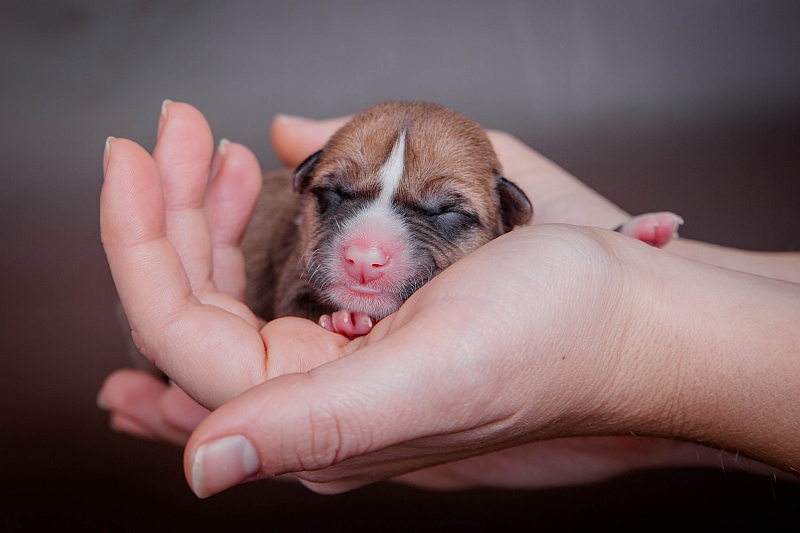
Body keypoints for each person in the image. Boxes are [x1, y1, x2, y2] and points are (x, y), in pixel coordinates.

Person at [98, 101, 800, 498]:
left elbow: (547, 268)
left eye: (444, 213)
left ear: (509, 215)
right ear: (305, 186)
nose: (366, 246)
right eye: (339, 196)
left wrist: (614, 266)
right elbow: (293, 295)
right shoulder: (291, 232)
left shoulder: (515, 228)